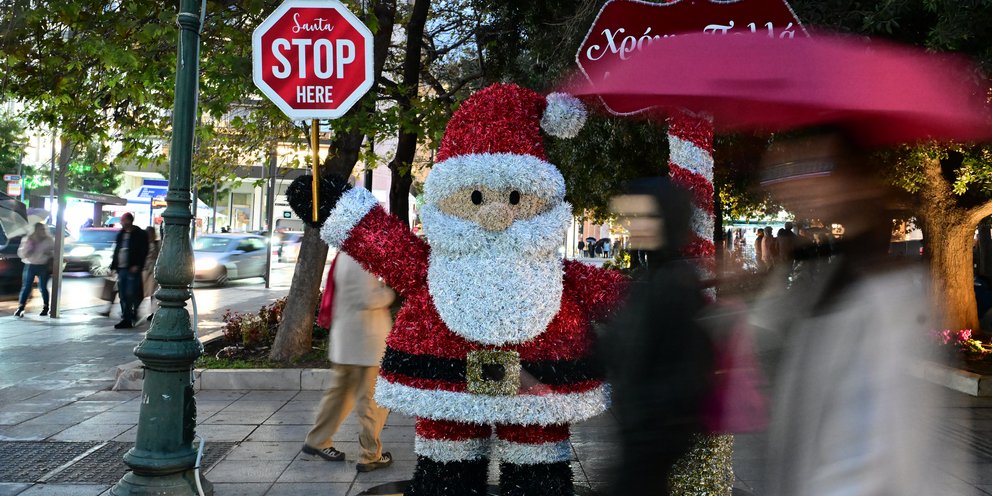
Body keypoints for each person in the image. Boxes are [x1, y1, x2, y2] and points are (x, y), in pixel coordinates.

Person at [756, 131, 944, 495]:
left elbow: (877, 442)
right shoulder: (833, 269)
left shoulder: (883, 288)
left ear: (854, 181)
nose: (795, 183)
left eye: (816, 167)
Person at [605, 178, 715, 495]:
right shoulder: (653, 276)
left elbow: (685, 368)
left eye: (643, 216)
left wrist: (648, 421)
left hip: (651, 437)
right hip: (642, 435)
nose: (632, 225)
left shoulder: (673, 283)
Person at [302, 252, 396, 473]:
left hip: (347, 340)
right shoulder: (362, 258)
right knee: (372, 400)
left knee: (339, 396)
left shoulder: (344, 254)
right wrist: (391, 293)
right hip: (365, 341)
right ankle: (370, 455)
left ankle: (317, 439)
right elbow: (368, 298)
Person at [109, 213, 148, 329]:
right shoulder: (121, 234)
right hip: (122, 268)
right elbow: (117, 250)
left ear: (129, 221)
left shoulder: (140, 234)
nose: (122, 222)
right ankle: (127, 317)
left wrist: (138, 265)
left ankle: (131, 314)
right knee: (123, 295)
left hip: (132, 269)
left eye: (123, 220)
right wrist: (113, 266)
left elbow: (143, 251)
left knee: (131, 293)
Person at [14, 223, 54, 317]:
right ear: (35, 230)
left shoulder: (49, 240)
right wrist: (29, 250)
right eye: (40, 229)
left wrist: (49, 254)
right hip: (30, 265)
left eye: (43, 229)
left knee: (43, 287)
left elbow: (54, 252)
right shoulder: (29, 239)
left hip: (43, 265)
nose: (42, 231)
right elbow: (21, 253)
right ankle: (21, 307)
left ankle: (46, 307)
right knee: (27, 287)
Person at [142, 226, 160, 322]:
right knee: (146, 292)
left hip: (152, 271)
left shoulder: (157, 244)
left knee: (153, 293)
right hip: (146, 271)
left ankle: (154, 312)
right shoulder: (144, 244)